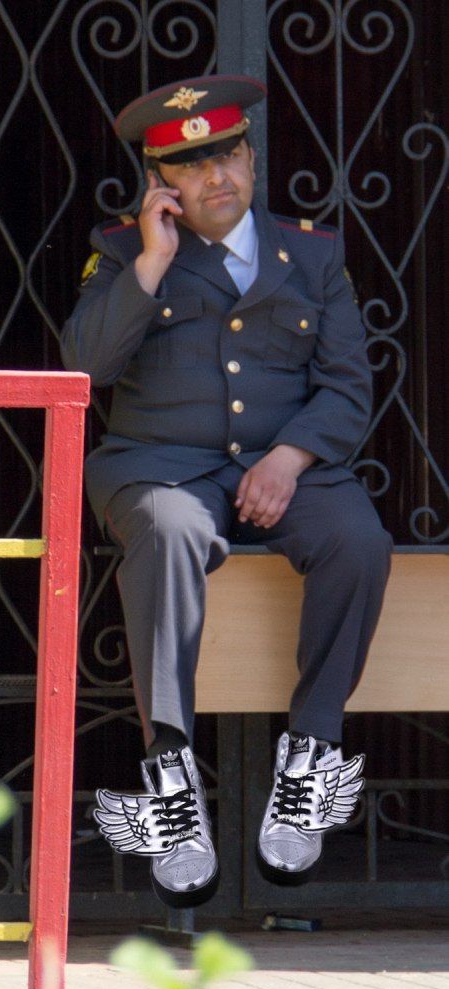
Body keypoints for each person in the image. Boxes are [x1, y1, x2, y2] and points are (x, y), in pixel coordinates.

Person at [61, 74, 392, 908]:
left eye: (228, 155)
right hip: (161, 467)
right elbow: (83, 368)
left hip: (289, 467)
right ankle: (171, 776)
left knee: (359, 540)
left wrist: (290, 457)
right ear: (160, 182)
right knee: (169, 531)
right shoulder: (122, 252)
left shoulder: (313, 255)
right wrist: (151, 263)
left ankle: (310, 754)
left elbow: (348, 383)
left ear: (250, 158)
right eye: (191, 164)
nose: (216, 176)